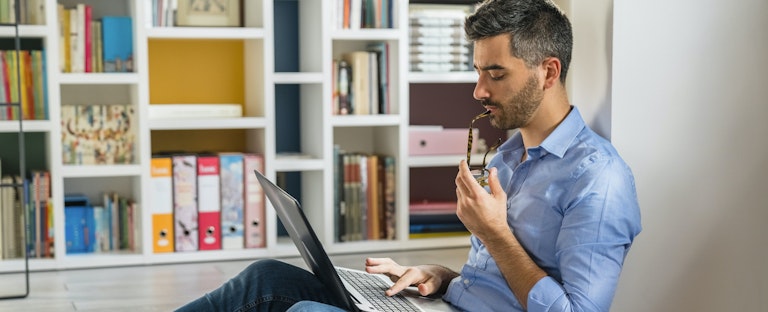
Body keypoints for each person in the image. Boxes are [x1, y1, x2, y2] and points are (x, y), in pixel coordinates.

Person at [176, 0, 641, 311]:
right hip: (446, 305)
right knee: (265, 278)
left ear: (548, 72)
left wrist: (494, 232)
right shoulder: (507, 156)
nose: (479, 90)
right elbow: (499, 285)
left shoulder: (597, 179)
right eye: (478, 72)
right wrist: (441, 275)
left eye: (495, 74)